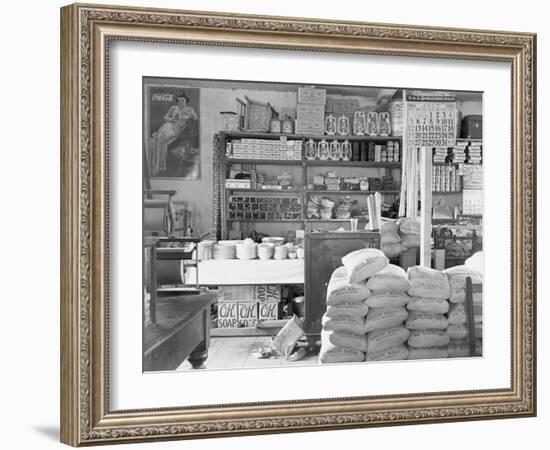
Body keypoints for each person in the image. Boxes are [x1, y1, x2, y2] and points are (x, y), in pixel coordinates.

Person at [151, 91, 197, 176]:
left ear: (186, 101)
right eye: (179, 101)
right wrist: (172, 119)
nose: (180, 102)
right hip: (169, 125)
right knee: (159, 138)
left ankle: (160, 164)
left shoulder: (190, 109)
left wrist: (189, 116)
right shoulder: (173, 108)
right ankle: (157, 165)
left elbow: (195, 118)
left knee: (162, 139)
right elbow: (165, 117)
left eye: (182, 100)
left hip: (178, 130)